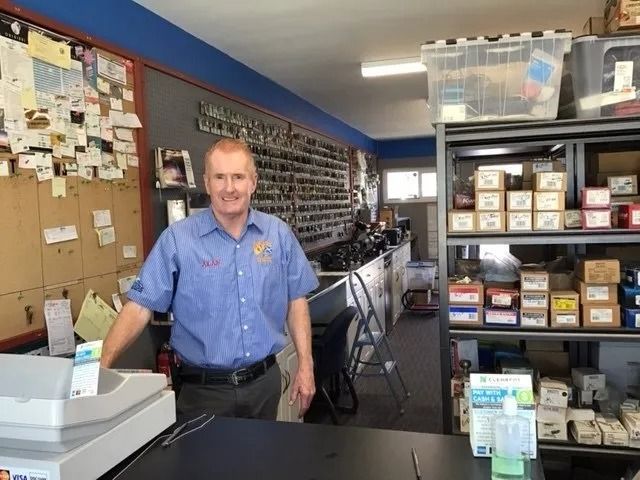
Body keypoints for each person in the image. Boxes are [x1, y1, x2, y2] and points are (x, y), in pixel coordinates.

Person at [101, 138, 319, 420]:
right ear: (206, 182)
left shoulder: (277, 234)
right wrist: (101, 367)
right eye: (220, 177)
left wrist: (306, 364)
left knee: (262, 462)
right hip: (203, 392)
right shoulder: (178, 240)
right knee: (203, 465)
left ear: (253, 182)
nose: (229, 188)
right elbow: (140, 306)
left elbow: (295, 300)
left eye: (238, 177)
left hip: (264, 384)